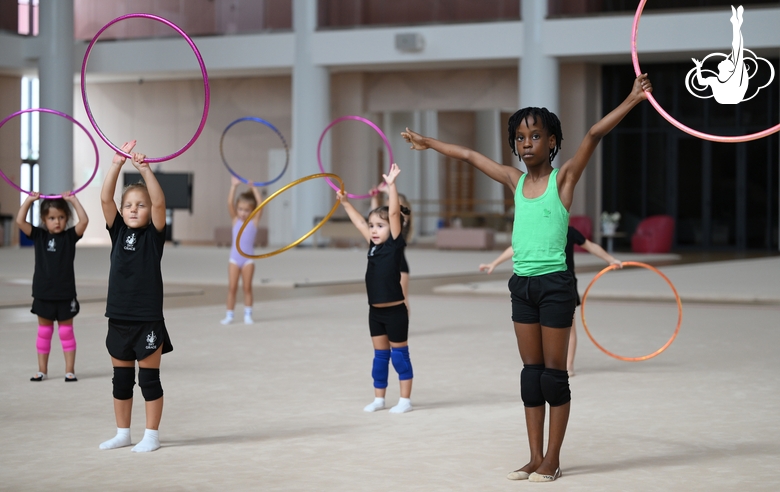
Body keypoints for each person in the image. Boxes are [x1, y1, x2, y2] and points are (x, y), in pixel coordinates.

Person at [402, 74, 652, 482]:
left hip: (555, 286)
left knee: (554, 378)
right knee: (531, 376)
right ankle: (534, 456)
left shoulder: (563, 180)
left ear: (552, 141)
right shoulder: (513, 181)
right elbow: (467, 155)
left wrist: (631, 99)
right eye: (520, 137)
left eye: (536, 136)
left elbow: (592, 133)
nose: (527, 143)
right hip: (522, 286)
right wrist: (428, 143)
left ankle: (553, 459)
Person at [99, 140, 173, 453]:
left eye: (139, 205)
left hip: (146, 318)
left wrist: (144, 169)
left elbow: (159, 205)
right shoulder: (117, 230)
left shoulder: (154, 236)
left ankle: (151, 436)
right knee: (120, 379)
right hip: (118, 315)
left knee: (149, 380)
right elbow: (105, 199)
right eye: (129, 204)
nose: (133, 209)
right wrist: (116, 163)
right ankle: (122, 433)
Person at [479, 226, 623, 377]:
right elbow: (516, 247)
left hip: (564, 284)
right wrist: (494, 263)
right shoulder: (540, 229)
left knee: (569, 327)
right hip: (543, 284)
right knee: (546, 327)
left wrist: (611, 259)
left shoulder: (566, 230)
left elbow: (591, 246)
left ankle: (569, 365)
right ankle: (553, 363)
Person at [339, 163, 413, 414]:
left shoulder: (394, 244)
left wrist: (391, 186)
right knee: (380, 358)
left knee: (399, 356)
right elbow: (360, 223)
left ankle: (405, 400)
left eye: (379, 226)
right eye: (372, 226)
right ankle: (379, 398)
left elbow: (393, 214)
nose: (373, 230)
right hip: (375, 313)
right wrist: (346, 203)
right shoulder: (372, 246)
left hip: (394, 312)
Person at [16, 191, 88, 382]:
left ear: (67, 218)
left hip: (65, 295)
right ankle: (42, 370)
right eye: (52, 218)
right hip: (43, 293)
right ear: (43, 220)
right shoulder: (38, 235)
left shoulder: (70, 236)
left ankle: (70, 370)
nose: (57, 221)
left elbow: (84, 221)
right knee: (44, 332)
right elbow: (20, 221)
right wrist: (29, 200)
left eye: (62, 217)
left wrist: (73, 200)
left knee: (66, 332)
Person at [221, 176, 263, 325]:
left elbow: (261, 204)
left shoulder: (254, 221)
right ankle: (229, 315)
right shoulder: (235, 220)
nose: (243, 212)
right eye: (240, 209)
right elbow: (229, 203)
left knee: (247, 287)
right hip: (234, 258)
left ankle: (247, 314)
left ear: (252, 211)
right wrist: (233, 186)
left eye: (246, 210)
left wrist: (254, 189)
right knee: (232, 288)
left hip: (248, 260)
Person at [370, 182, 413, 313]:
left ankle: (402, 327)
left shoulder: (403, 218)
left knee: (402, 297)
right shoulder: (384, 224)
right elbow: (375, 215)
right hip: (383, 265)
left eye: (392, 201)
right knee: (384, 298)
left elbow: (396, 212)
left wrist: (389, 191)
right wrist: (374, 197)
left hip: (399, 265)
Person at [691, 5, 748, 104]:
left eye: (727, 61)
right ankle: (736, 23)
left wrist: (736, 26)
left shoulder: (735, 77)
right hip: (726, 97)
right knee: (737, 51)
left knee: (737, 50)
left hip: (733, 96)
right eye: (728, 60)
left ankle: (736, 24)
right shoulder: (714, 80)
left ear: (729, 69)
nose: (725, 59)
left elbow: (737, 48)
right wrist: (698, 67)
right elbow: (701, 82)